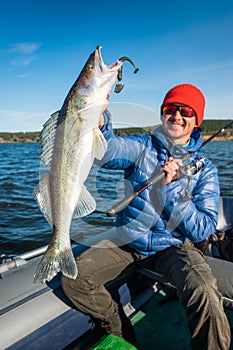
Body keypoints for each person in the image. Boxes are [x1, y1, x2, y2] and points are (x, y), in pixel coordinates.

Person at [61, 84, 231, 349]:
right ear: (163, 114)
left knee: (205, 292)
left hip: (172, 247)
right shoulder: (142, 146)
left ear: (197, 121)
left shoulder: (206, 171)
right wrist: (100, 117)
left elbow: (202, 228)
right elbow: (106, 153)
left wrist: (171, 189)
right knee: (74, 278)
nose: (177, 115)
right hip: (127, 241)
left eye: (185, 110)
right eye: (170, 108)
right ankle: (121, 333)